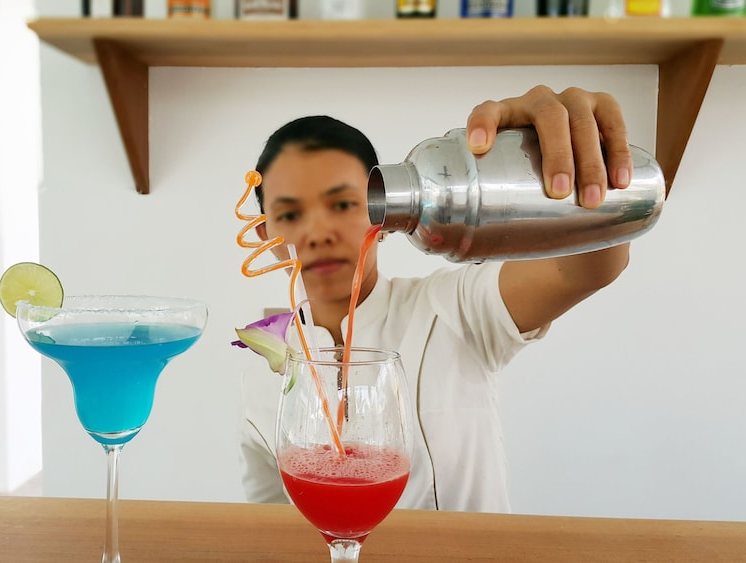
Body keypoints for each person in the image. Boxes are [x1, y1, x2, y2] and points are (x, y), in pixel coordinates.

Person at [238, 85, 635, 512]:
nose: (319, 233)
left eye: (343, 204)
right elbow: (271, 526)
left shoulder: (455, 308)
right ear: (265, 234)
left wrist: (581, 170)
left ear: (385, 212)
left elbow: (587, 269)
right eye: (291, 214)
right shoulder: (263, 372)